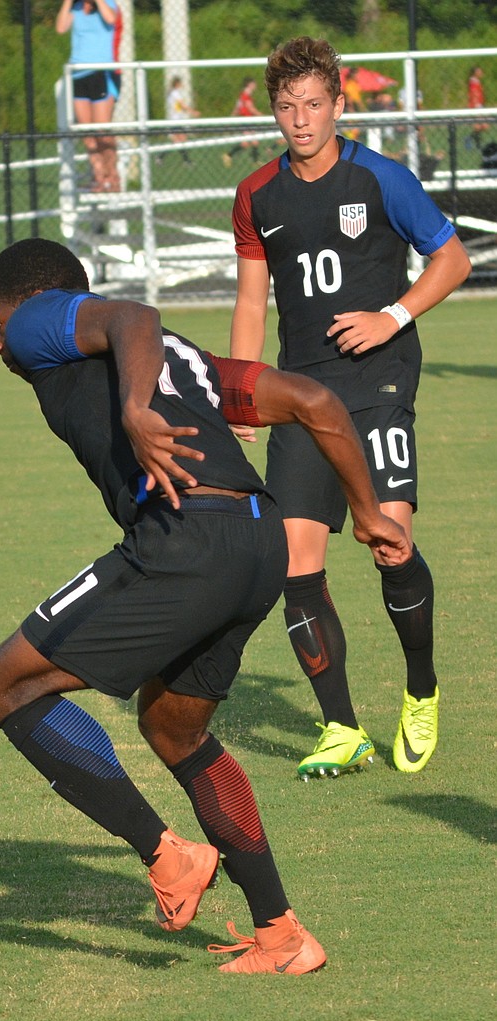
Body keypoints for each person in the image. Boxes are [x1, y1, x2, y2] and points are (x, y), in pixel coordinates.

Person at [0, 236, 410, 973]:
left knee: (6, 682)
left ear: (36, 302)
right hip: (258, 542)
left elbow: (131, 314)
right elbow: (313, 399)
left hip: (187, 540)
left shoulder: (40, 318)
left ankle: (166, 855)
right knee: (175, 731)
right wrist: (368, 512)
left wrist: (137, 411)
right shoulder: (192, 365)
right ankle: (281, 935)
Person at [228, 37, 471, 778]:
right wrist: (242, 387)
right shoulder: (255, 194)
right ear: (274, 111)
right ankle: (341, 727)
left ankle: (420, 689)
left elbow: (452, 259)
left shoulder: (382, 179)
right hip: (302, 394)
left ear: (338, 103)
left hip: (379, 385)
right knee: (295, 568)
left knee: (389, 542)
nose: (301, 120)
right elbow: (250, 296)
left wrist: (390, 317)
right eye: (287, 106)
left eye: (314, 104)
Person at [56, 0, 121, 192]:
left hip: (101, 72)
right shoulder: (75, 8)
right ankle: (99, 176)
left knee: (102, 132)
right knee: (87, 133)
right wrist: (67, 2)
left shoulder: (108, 4)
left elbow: (111, 19)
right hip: (78, 74)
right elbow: (61, 28)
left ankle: (113, 176)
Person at [222, 77, 264, 168]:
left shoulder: (242, 96)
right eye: (254, 84)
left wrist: (230, 119)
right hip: (247, 121)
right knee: (247, 143)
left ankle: (255, 160)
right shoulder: (245, 96)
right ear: (249, 85)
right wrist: (262, 116)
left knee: (254, 141)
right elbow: (251, 109)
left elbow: (237, 109)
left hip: (247, 121)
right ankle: (228, 155)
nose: (255, 86)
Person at [166, 74, 200, 157]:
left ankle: (160, 157)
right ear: (177, 83)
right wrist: (193, 112)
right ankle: (187, 160)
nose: (182, 85)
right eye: (181, 83)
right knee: (181, 139)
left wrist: (190, 112)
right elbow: (182, 105)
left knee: (179, 140)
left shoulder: (174, 93)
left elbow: (180, 108)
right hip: (175, 120)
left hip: (176, 119)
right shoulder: (175, 93)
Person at [467, 65, 488, 149]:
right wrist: (476, 107)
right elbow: (474, 95)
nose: (481, 72)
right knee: (482, 126)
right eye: (479, 71)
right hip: (476, 106)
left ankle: (471, 139)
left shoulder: (477, 81)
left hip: (479, 105)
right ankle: (476, 143)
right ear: (475, 73)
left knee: (481, 126)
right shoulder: (473, 82)